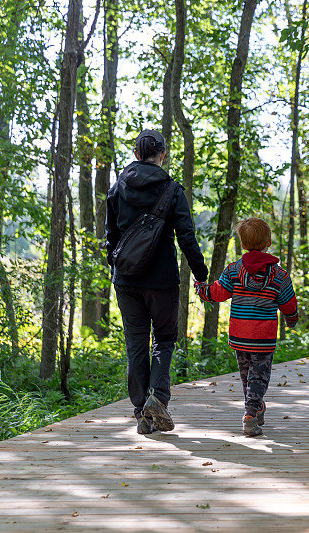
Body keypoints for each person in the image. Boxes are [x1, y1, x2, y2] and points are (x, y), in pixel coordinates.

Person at [105, 129, 209, 435]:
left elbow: (110, 237)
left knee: (135, 344)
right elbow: (187, 238)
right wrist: (201, 274)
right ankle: (158, 399)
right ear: (162, 154)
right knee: (163, 340)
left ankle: (142, 413)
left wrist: (117, 265)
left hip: (126, 280)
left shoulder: (117, 188)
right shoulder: (172, 190)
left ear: (137, 154)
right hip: (162, 280)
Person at [195, 217, 299, 437]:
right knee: (258, 377)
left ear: (242, 244)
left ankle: (254, 408)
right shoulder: (279, 276)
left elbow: (217, 292)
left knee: (247, 376)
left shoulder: (233, 270)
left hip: (240, 336)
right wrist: (291, 319)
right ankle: (251, 414)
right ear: (268, 241)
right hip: (263, 338)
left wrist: (201, 289)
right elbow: (288, 303)